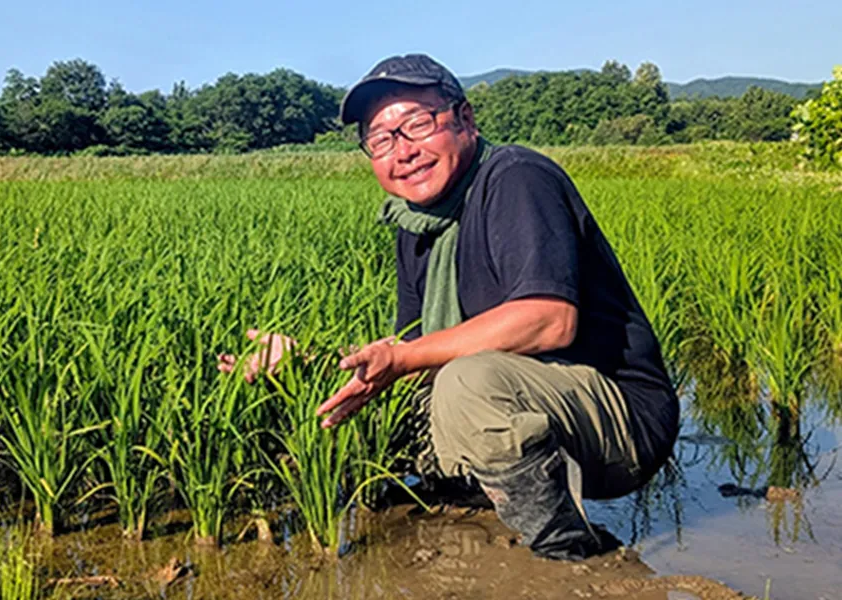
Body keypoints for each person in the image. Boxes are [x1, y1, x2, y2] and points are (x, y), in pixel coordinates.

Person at [221, 54, 679, 561]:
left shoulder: (516, 177)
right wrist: (308, 362)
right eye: (381, 139)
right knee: (386, 403)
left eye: (417, 123)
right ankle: (463, 503)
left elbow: (549, 318)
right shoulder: (417, 224)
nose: (404, 151)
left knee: (467, 383)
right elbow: (411, 351)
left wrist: (402, 361)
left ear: (465, 118)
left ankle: (569, 556)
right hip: (533, 402)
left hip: (619, 417)